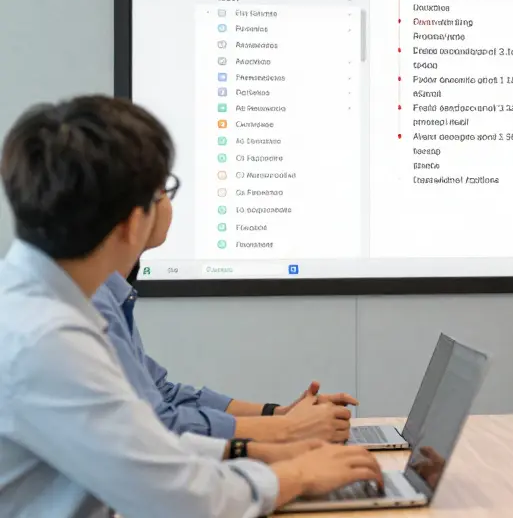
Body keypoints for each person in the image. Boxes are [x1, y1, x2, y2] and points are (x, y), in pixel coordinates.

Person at [0, 96, 382, 517]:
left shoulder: (35, 305)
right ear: (132, 222)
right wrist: (297, 475)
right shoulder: (47, 340)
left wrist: (261, 452)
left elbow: (141, 448)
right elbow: (175, 497)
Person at [91, 258, 356, 443]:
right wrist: (288, 429)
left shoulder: (112, 295)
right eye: (163, 197)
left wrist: (280, 415)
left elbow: (163, 394)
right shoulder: (96, 302)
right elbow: (158, 424)